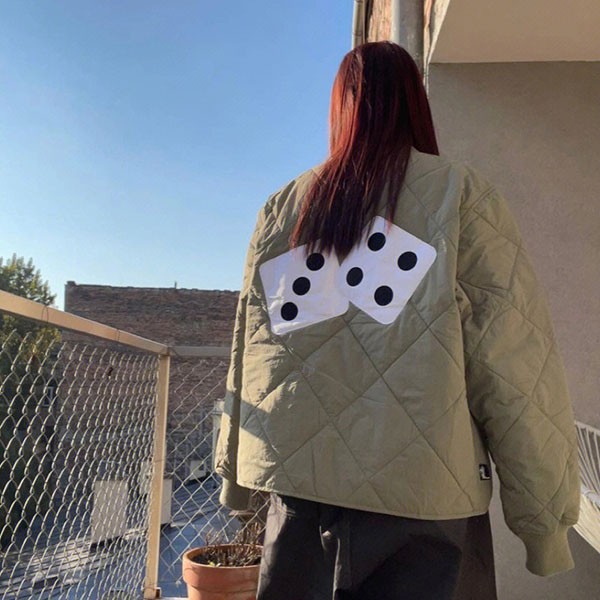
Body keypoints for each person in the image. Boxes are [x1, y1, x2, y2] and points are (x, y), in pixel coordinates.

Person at [214, 41, 581, 599]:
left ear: (341, 109)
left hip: (299, 509)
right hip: (427, 516)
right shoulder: (460, 193)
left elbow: (248, 351)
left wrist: (234, 477)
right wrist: (544, 523)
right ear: (415, 104)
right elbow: (516, 367)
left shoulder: (283, 208)